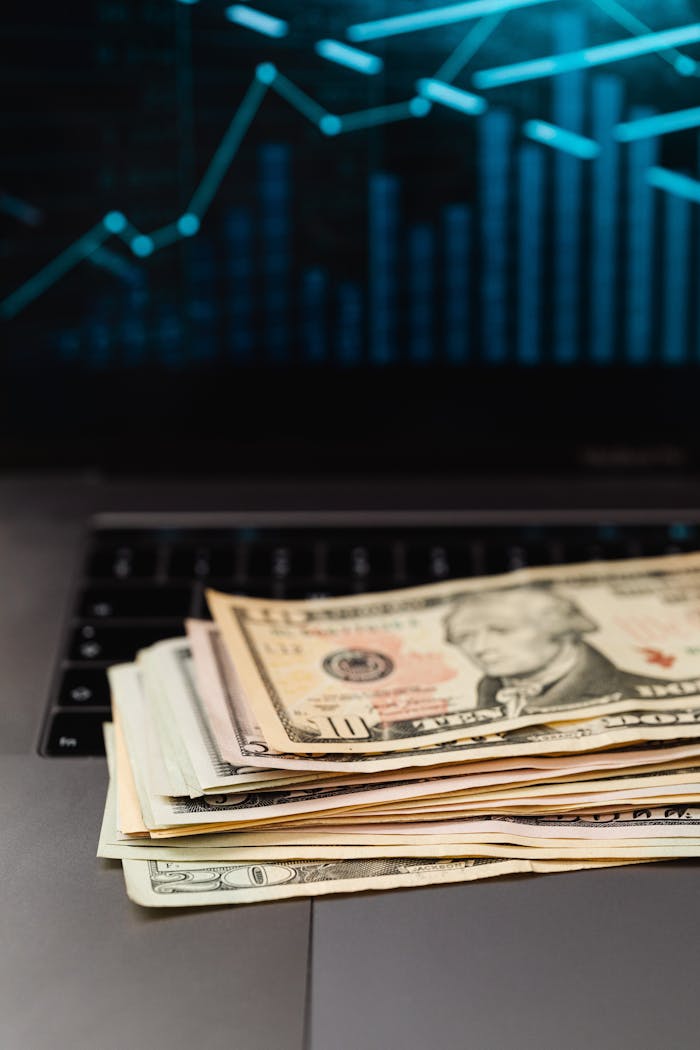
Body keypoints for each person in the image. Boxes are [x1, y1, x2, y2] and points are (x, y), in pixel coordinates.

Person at [443, 585, 676, 718]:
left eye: (501, 630)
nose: (480, 648)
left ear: (561, 628)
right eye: (465, 637)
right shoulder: (485, 696)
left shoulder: (655, 693)